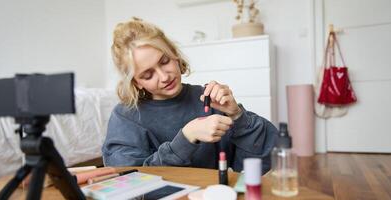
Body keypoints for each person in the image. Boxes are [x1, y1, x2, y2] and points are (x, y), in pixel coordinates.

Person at [102, 18, 276, 172]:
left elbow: (261, 163)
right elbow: (127, 182)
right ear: (136, 82)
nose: (164, 77)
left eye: (165, 61)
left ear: (174, 54)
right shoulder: (125, 117)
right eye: (148, 75)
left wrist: (237, 115)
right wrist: (186, 138)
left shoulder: (207, 99)